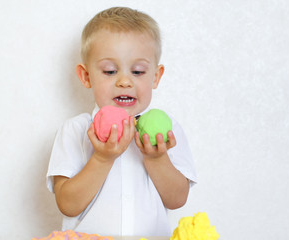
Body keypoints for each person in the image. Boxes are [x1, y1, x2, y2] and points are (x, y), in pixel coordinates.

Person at [46, 7, 197, 237]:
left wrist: (156, 158)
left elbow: (177, 200)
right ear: (86, 76)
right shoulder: (75, 130)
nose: (125, 81)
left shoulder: (167, 132)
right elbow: (67, 204)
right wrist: (101, 158)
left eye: (137, 71)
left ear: (155, 76)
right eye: (109, 71)